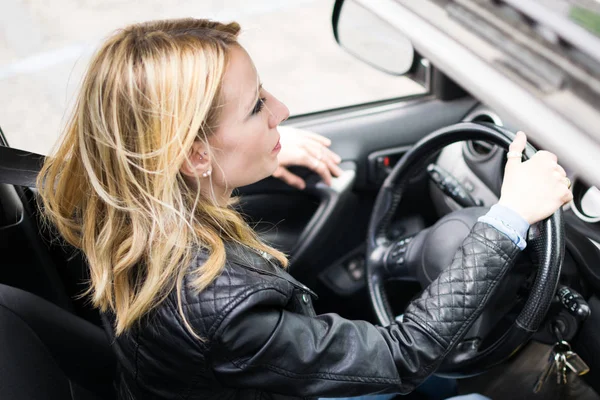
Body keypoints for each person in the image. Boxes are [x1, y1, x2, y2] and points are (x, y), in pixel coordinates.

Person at [36, 19, 573, 400]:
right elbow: (399, 357)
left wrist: (259, 152)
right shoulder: (218, 308)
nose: (283, 112)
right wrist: (508, 218)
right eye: (256, 107)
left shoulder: (117, 209)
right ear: (195, 154)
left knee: (445, 379)